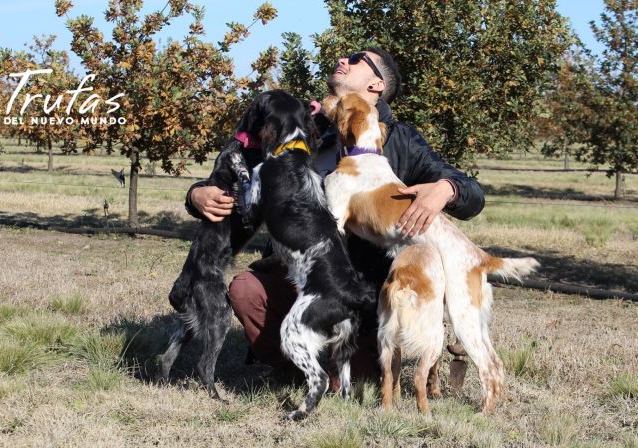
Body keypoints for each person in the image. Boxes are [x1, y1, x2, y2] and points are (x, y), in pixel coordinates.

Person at [184, 47, 485, 384]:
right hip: (299, 275)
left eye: (356, 60)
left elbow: (472, 195)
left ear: (376, 85)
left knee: (357, 377)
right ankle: (295, 368)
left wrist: (446, 189)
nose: (343, 60)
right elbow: (245, 166)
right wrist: (198, 193)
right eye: (344, 57)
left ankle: (346, 364)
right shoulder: (304, 127)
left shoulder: (401, 140)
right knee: (247, 290)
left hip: (364, 292)